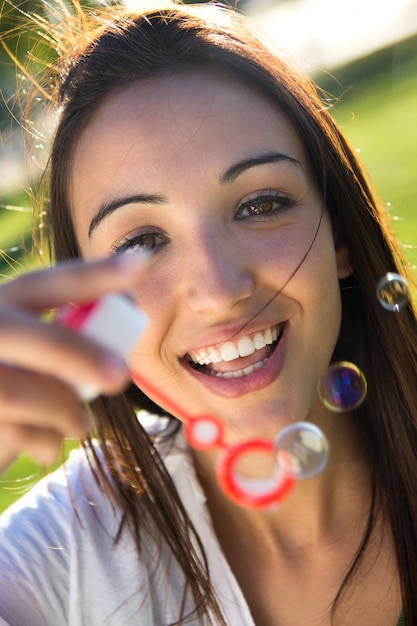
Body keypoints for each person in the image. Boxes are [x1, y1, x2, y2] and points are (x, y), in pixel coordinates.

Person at [0, 2, 416, 624]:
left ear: (340, 240)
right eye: (140, 242)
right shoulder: (60, 562)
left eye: (261, 204)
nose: (219, 291)